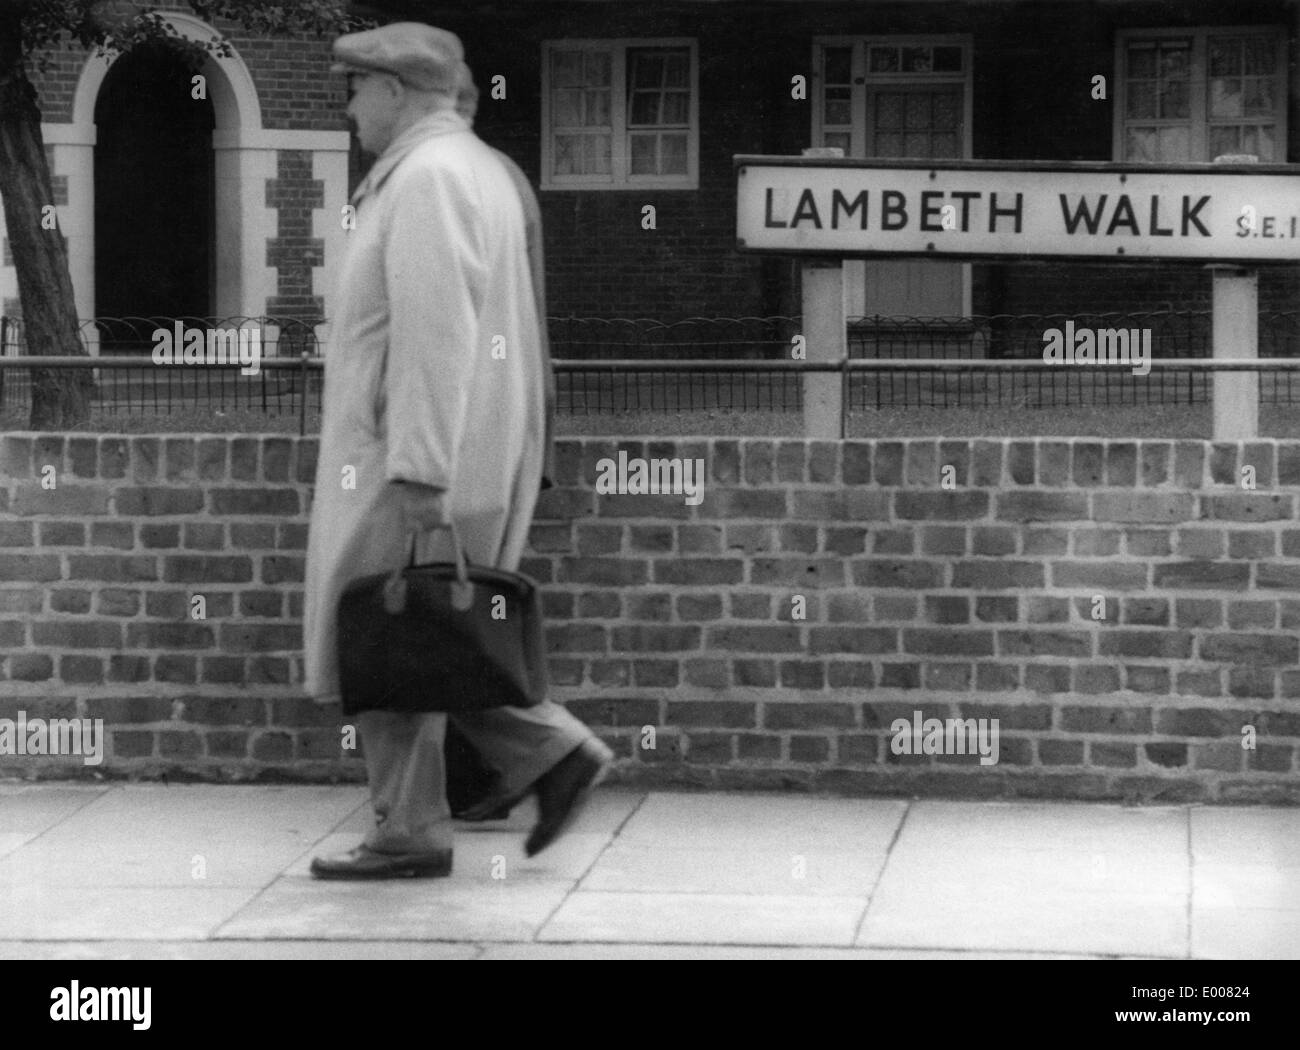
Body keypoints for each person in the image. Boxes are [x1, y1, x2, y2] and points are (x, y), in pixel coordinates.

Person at [302, 22, 612, 879]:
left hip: (415, 455)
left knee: (389, 631)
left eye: (355, 88)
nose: (349, 106)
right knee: (427, 634)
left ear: (397, 91)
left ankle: (421, 823)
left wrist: (417, 469)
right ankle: (540, 761)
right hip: (463, 447)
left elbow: (435, 334)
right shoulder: (468, 170)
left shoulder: (429, 179)